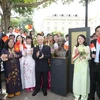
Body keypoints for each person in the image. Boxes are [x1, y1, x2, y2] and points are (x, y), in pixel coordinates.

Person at [72, 34, 90, 100]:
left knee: (84, 80)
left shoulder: (87, 47)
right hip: (77, 66)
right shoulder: (75, 47)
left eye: (81, 38)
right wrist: (77, 54)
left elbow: (89, 56)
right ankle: (76, 95)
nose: (80, 40)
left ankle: (84, 96)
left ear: (84, 39)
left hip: (84, 66)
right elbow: (73, 57)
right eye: (78, 38)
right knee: (77, 80)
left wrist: (84, 56)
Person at [89, 25, 100, 100]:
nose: (99, 32)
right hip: (93, 65)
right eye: (97, 31)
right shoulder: (92, 42)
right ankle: (91, 96)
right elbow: (90, 52)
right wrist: (91, 54)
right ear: (95, 33)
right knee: (92, 82)